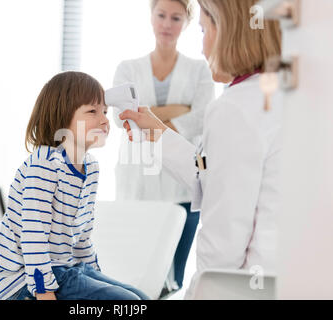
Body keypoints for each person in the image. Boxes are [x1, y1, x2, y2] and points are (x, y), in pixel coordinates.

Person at [119, 0, 282, 299]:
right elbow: (205, 169)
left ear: (227, 31)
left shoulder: (235, 109)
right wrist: (155, 128)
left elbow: (223, 249)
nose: (204, 47)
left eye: (204, 30)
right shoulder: (274, 93)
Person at [0, 71, 150, 300]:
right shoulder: (44, 165)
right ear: (62, 117)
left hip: (66, 268)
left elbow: (82, 237)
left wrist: (95, 279)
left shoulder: (91, 168)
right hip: (24, 280)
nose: (104, 120)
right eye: (92, 111)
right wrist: (44, 294)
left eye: (104, 111)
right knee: (128, 303)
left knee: (140, 298)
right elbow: (33, 236)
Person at [112, 0, 215, 293]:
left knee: (174, 280)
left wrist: (149, 115)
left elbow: (201, 117)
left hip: (182, 184)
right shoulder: (127, 68)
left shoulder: (200, 70)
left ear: (187, 23)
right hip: (137, 181)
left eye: (176, 18)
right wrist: (177, 109)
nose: (167, 24)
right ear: (151, 17)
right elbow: (124, 119)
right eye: (161, 15)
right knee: (136, 272)